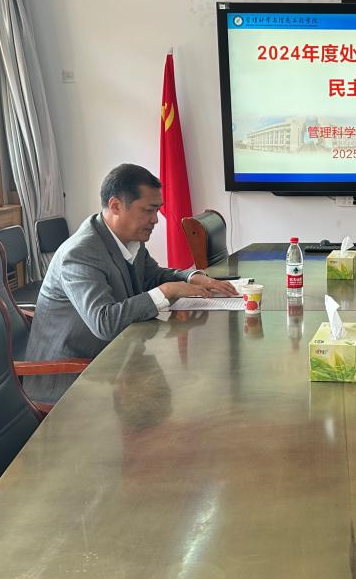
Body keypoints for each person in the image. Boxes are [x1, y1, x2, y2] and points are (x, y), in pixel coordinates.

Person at [24, 164, 236, 401]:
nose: (155, 220)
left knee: (197, 381)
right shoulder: (80, 253)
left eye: (157, 210)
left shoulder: (128, 237)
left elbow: (152, 275)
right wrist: (166, 291)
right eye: (148, 210)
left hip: (117, 359)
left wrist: (189, 277)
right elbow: (104, 322)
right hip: (70, 378)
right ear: (116, 206)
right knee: (192, 389)